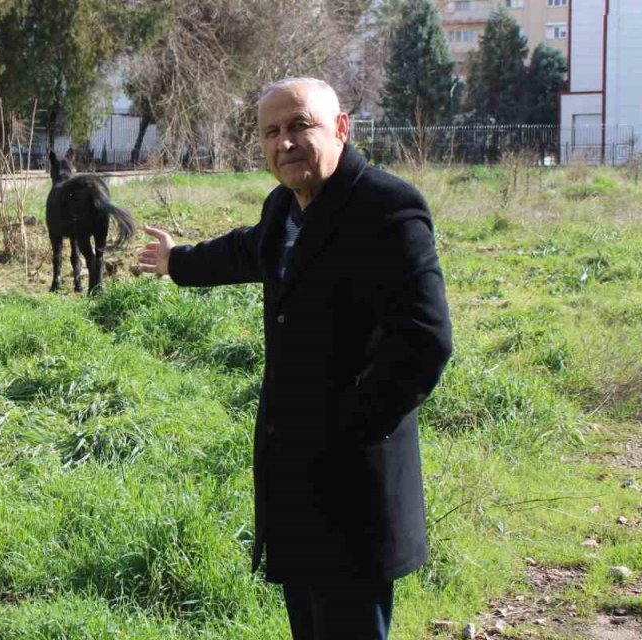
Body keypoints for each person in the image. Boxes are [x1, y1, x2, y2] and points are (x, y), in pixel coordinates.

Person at [138, 78, 452, 639]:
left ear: (341, 127)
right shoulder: (285, 206)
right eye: (272, 132)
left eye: (300, 125)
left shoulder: (388, 207)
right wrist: (177, 261)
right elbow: (249, 248)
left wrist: (354, 426)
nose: (286, 143)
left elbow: (425, 337)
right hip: (294, 474)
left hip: (354, 481)